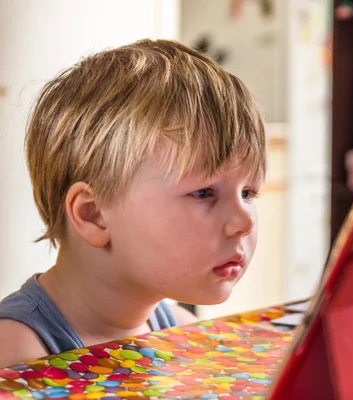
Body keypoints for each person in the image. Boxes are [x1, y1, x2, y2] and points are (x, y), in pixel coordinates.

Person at [0, 39, 265, 367]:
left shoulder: (179, 330)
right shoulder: (18, 355)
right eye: (203, 192)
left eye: (248, 193)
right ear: (94, 214)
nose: (245, 222)